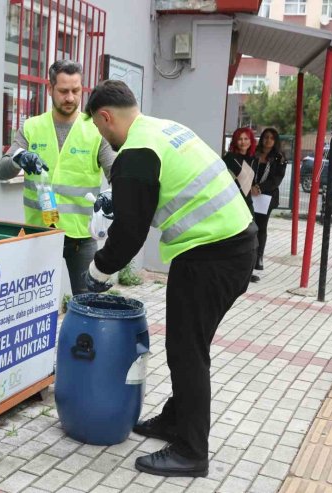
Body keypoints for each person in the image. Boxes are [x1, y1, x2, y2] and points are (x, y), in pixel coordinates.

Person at [81, 80, 257, 478]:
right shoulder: (164, 129)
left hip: (212, 255)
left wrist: (98, 271)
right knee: (190, 345)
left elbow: (129, 233)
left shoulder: (136, 152)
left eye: (98, 126)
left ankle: (192, 452)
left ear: (105, 116)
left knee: (186, 351)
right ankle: (175, 420)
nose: (102, 135)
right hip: (233, 245)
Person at [0, 59, 116, 294]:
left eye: (75, 90)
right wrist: (18, 158)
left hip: (81, 237)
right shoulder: (31, 127)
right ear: (50, 89)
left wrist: (113, 196)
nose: (70, 98)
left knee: (88, 304)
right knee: (31, 306)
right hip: (38, 233)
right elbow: (2, 172)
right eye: (63, 91)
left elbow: (116, 174)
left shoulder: (95, 130)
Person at [223, 127, 260, 283]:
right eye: (240, 139)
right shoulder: (229, 158)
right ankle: (230, 269)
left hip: (248, 202)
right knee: (233, 236)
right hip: (233, 202)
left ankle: (247, 271)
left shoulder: (254, 159)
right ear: (235, 141)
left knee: (251, 236)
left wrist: (256, 186)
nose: (243, 142)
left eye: (246, 139)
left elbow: (252, 181)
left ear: (251, 141)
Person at [250, 128, 286, 271]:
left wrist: (260, 188)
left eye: (271, 138)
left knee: (261, 226)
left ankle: (259, 257)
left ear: (275, 140)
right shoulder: (253, 153)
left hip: (266, 196)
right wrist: (251, 187)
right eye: (265, 137)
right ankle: (249, 255)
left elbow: (277, 179)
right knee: (249, 225)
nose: (268, 140)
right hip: (250, 193)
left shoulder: (279, 158)